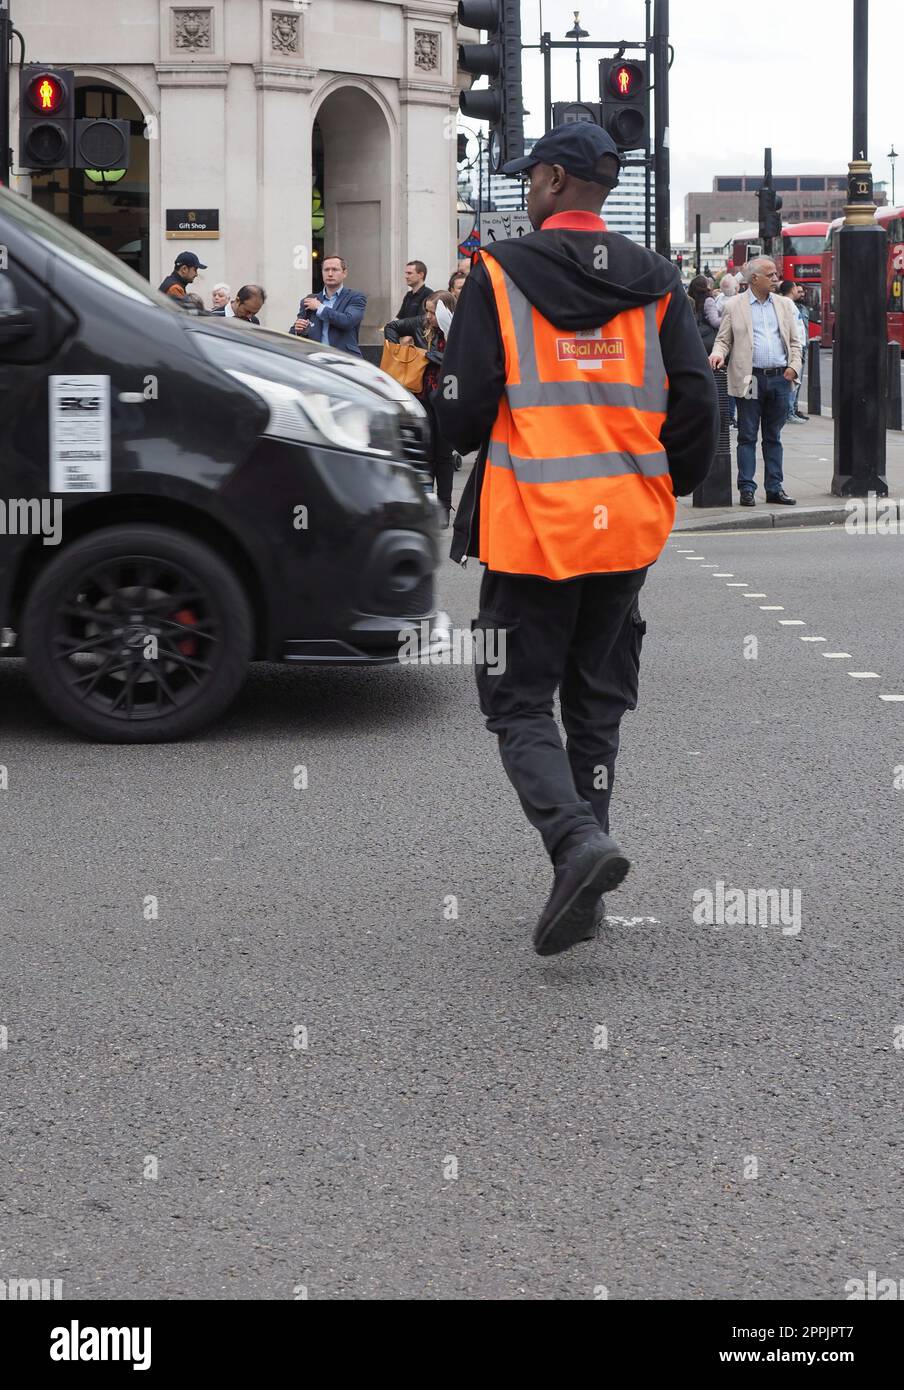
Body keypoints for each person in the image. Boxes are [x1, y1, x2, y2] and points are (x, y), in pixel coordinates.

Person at [433, 122, 719, 957]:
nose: (526, 188)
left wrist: (443, 434)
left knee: (518, 702)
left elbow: (464, 403)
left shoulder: (498, 271)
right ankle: (585, 867)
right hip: (627, 524)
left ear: (556, 181)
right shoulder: (659, 280)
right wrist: (673, 480)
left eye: (531, 176)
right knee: (595, 704)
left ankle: (575, 844)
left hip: (532, 525)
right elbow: (696, 401)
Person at [709, 257, 803, 506]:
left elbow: (795, 342)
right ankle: (747, 489)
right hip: (750, 379)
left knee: (773, 436)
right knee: (748, 435)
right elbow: (723, 339)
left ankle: (774, 488)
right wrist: (717, 353)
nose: (776, 279)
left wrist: (794, 367)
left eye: (775, 275)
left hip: (780, 379)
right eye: (770, 275)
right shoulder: (734, 306)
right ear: (754, 279)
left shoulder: (783, 305)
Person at [384, 291, 457, 526]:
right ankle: (427, 505)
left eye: (432, 312)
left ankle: (444, 508)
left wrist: (428, 355)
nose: (427, 316)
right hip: (421, 395)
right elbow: (392, 327)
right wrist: (402, 351)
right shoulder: (420, 323)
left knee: (443, 456)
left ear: (445, 312)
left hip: (447, 395)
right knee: (424, 453)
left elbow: (457, 360)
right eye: (426, 310)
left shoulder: (458, 329)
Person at [289, 255, 366, 356]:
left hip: (345, 359)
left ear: (344, 273)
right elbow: (294, 332)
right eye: (326, 270)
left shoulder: (355, 297)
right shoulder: (309, 300)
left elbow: (348, 321)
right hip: (315, 360)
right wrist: (298, 330)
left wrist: (319, 308)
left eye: (335, 270)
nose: (330, 274)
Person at [779, 280, 809, 422]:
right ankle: (789, 413)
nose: (799, 290)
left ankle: (790, 411)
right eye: (797, 288)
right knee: (793, 380)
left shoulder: (787, 303)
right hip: (796, 347)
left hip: (798, 345)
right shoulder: (787, 303)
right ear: (792, 289)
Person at [688, 274, 720, 353]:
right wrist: (727, 318)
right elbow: (715, 322)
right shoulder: (708, 300)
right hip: (708, 341)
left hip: (695, 338)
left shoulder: (690, 299)